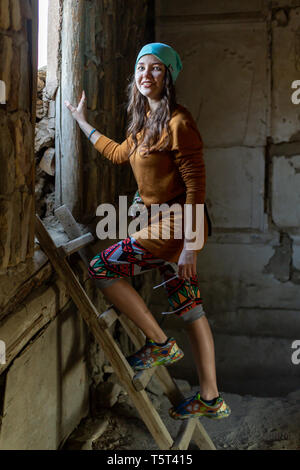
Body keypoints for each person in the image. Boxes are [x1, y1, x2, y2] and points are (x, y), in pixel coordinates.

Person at [64, 42, 231, 420]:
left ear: (168, 76)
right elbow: (118, 154)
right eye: (142, 68)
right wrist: (81, 121)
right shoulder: (143, 124)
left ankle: (158, 343)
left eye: (156, 69)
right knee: (191, 310)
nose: (146, 75)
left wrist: (189, 246)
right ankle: (211, 398)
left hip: (180, 226)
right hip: (163, 225)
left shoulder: (179, 122)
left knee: (101, 268)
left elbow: (196, 189)